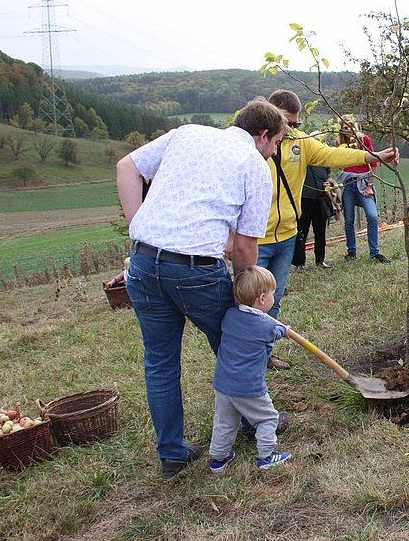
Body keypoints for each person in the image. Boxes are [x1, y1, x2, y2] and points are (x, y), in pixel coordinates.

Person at [116, 97, 288, 481]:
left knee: (160, 363)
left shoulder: (186, 134)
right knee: (237, 341)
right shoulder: (254, 166)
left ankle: (172, 456)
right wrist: (249, 304)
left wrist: (138, 227)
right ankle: (257, 423)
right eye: (276, 143)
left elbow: (127, 167)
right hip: (195, 271)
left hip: (144, 263)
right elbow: (244, 247)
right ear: (262, 136)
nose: (274, 151)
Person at [228, 90, 399, 371]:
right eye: (287, 123)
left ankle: (264, 356)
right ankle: (244, 360)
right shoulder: (246, 144)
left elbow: (333, 154)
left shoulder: (300, 142)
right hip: (253, 239)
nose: (291, 130)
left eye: (295, 124)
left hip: (286, 236)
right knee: (246, 304)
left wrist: (372, 156)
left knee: (273, 300)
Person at [209, 266, 292, 473]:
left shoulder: (229, 315)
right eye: (273, 294)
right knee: (267, 418)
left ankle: (218, 458)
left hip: (223, 384)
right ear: (262, 299)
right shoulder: (264, 326)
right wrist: (286, 331)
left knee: (225, 421)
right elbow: (276, 331)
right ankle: (266, 455)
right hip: (248, 386)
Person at [336, 116, 391, 264]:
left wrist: (370, 185)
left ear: (355, 127)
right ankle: (351, 252)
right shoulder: (340, 143)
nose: (347, 130)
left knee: (372, 216)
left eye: (349, 126)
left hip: (363, 181)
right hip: (348, 182)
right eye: (344, 127)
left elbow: (373, 161)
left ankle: (375, 252)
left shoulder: (364, 140)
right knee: (349, 219)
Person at [296, 164, 334, 271]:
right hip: (304, 199)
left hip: (320, 199)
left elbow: (328, 177)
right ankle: (300, 262)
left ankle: (320, 260)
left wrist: (329, 183)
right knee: (302, 232)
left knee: (320, 231)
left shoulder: (323, 161)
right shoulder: (304, 159)